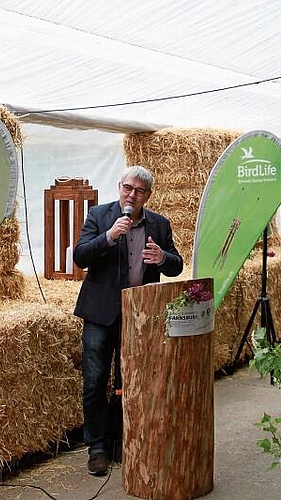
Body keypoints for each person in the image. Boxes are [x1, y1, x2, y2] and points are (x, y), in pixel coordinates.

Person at [73, 165, 184, 476]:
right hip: (100, 312)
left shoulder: (159, 225)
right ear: (119, 187)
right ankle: (96, 447)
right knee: (95, 381)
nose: (132, 195)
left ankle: (124, 438)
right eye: (127, 188)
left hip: (140, 315)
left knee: (131, 381)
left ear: (148, 195)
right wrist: (108, 237)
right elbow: (80, 256)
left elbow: (177, 265)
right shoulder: (99, 216)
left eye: (139, 191)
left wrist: (163, 258)